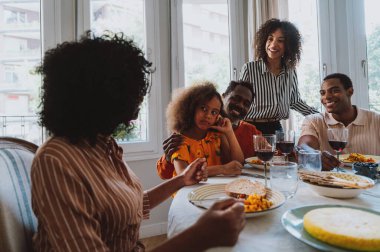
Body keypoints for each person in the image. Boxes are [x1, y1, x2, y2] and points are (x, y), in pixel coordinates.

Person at [31, 31, 246, 252]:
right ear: (99, 95)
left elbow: (130, 205)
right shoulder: (57, 160)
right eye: (131, 93)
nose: (138, 103)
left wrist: (181, 179)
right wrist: (199, 235)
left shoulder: (104, 145)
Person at [157, 80, 262, 179]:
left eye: (214, 112)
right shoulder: (180, 140)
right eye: (203, 108)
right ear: (191, 108)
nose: (208, 115)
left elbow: (238, 164)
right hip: (188, 194)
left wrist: (229, 132)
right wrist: (222, 169)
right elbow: (184, 174)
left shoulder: (217, 135)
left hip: (213, 191)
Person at [239, 18, 318, 134]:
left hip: (276, 128)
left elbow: (294, 101)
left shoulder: (290, 70)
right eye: (270, 39)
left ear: (288, 45)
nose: (273, 44)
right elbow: (239, 101)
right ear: (264, 41)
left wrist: (319, 116)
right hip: (251, 128)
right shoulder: (249, 69)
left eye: (280, 41)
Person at [298, 73, 380, 170]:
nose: (327, 96)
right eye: (322, 93)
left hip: (372, 182)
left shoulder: (376, 120)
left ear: (350, 91)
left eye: (334, 91)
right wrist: (313, 156)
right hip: (329, 182)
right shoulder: (313, 121)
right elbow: (304, 146)